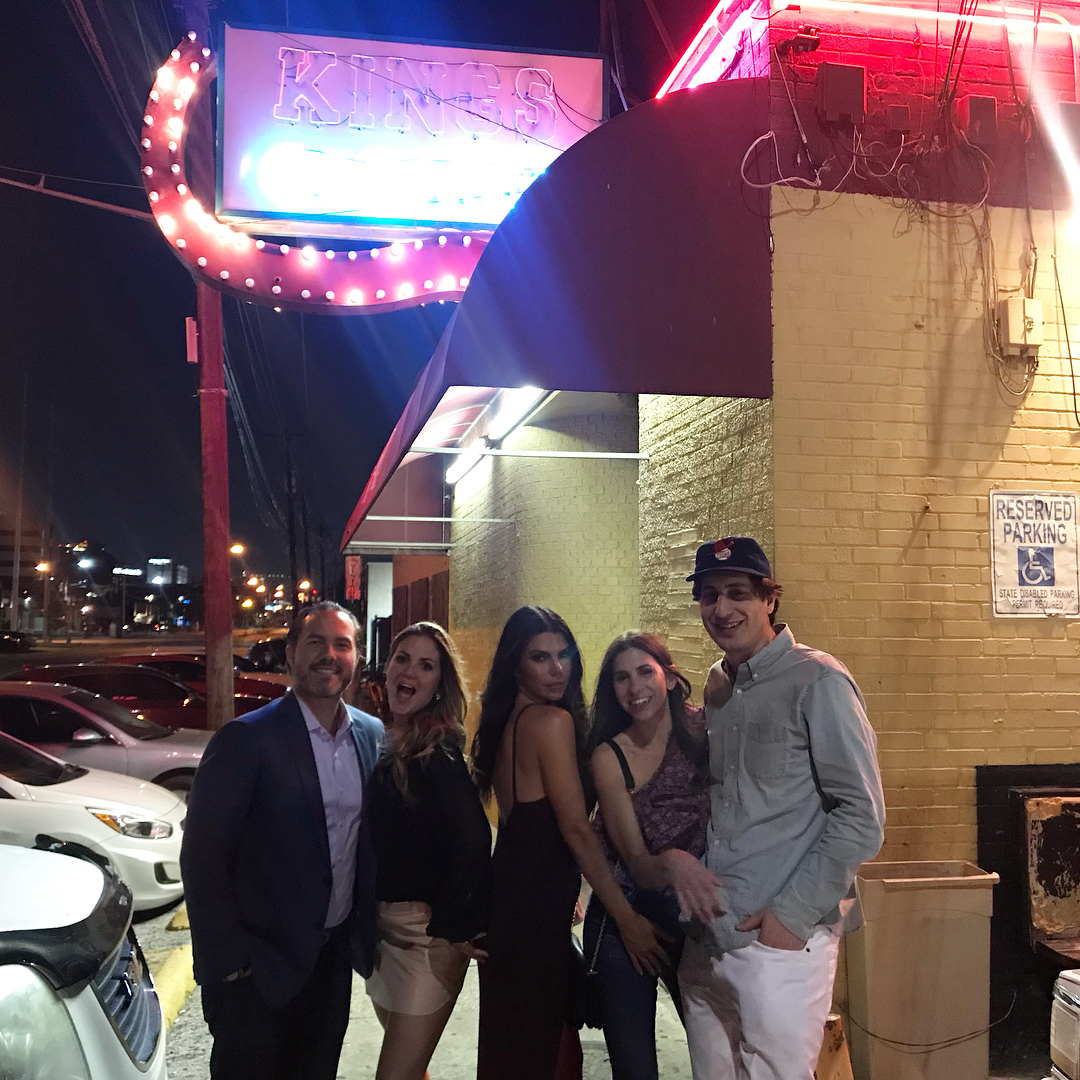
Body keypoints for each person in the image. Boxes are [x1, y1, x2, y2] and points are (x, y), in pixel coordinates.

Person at [668, 537, 885, 1080]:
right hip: (709, 938)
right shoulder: (718, 684)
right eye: (710, 595)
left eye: (738, 593)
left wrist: (789, 918)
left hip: (779, 944)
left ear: (770, 599)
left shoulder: (819, 680)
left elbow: (861, 815)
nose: (722, 609)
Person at [180, 602, 384, 1080]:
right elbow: (203, 857)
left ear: (356, 658)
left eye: (342, 645)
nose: (329, 654)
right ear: (291, 654)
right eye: (315, 642)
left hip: (331, 962)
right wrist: (228, 965)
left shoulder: (371, 736)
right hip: (257, 971)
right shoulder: (246, 739)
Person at [471, 606, 669, 1080]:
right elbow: (576, 830)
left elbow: (524, 830)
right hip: (534, 916)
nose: (557, 668)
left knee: (517, 1047)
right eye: (540, 657)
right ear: (515, 664)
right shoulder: (550, 721)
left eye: (564, 655)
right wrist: (626, 919)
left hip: (516, 904)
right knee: (545, 1052)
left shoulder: (507, 721)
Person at [365, 622, 491, 1080]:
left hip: (425, 940)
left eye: (426, 665)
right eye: (402, 659)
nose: (409, 672)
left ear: (440, 684)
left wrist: (457, 925)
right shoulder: (389, 742)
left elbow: (474, 841)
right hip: (382, 936)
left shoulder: (438, 754)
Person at [586, 632, 711, 1080]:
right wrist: (675, 861)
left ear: (670, 678)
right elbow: (637, 862)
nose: (634, 687)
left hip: (695, 912)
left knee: (720, 1055)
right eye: (621, 678)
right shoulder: (609, 755)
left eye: (645, 672)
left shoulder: (705, 730)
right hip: (628, 915)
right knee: (634, 1067)